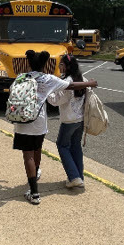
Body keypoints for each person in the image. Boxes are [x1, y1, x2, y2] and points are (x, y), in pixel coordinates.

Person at [14, 50, 97, 205]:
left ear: (29, 64)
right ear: (45, 64)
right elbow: (72, 86)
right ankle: (76, 176)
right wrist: (90, 83)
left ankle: (35, 191)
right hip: (41, 123)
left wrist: (49, 96)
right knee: (41, 150)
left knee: (29, 155)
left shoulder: (21, 77)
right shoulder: (49, 79)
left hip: (23, 121)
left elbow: (56, 99)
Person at [47, 54, 86, 188]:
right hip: (80, 120)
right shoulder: (82, 79)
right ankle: (79, 177)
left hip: (69, 121)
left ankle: (74, 177)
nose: (59, 67)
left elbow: (55, 101)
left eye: (61, 64)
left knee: (62, 146)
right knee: (76, 147)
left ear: (68, 66)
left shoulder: (67, 82)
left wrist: (48, 92)